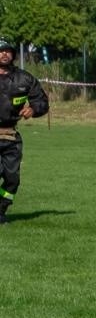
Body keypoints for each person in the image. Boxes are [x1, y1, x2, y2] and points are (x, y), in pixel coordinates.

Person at [0, 37, 50, 225]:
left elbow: (42, 101)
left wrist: (34, 109)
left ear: (13, 54)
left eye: (8, 50)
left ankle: (1, 208)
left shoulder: (24, 78)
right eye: (0, 50)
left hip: (11, 137)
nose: (4, 53)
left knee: (12, 180)